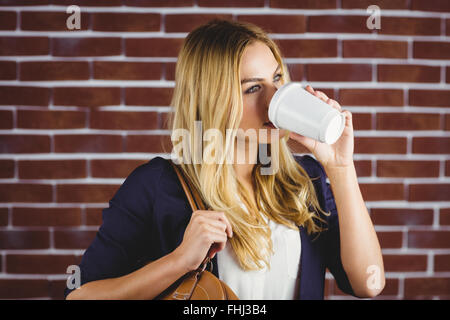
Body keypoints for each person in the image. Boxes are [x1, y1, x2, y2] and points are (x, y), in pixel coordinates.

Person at [65, 19, 385, 300]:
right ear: (213, 100)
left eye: (276, 79)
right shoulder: (156, 185)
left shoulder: (305, 178)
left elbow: (368, 284)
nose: (274, 99)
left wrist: (341, 167)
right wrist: (179, 261)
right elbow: (81, 296)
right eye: (252, 88)